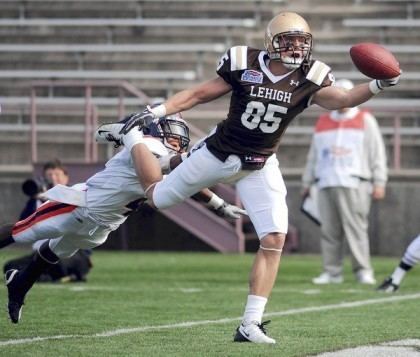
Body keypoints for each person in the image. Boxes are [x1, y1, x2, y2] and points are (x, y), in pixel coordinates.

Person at [96, 12, 400, 344]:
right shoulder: (244, 61)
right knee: (157, 198)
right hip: (217, 155)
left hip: (261, 163)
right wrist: (156, 112)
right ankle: (135, 139)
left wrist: (378, 84)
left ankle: (249, 323)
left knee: (273, 237)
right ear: (272, 41)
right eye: (289, 39)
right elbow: (199, 94)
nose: (297, 47)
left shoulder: (310, 76)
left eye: (302, 41)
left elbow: (342, 99)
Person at [0, 112, 245, 324]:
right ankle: (20, 285)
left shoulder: (151, 147)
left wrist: (219, 204)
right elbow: (165, 164)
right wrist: (203, 154)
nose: (177, 138)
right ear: (154, 131)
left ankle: (19, 284)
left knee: (57, 250)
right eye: (171, 131)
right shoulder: (146, 144)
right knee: (23, 231)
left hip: (104, 224)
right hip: (79, 204)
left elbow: (186, 178)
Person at [302, 78, 388, 285]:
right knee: (329, 230)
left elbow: (377, 152)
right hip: (325, 181)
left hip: (355, 181)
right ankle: (332, 272)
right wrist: (307, 181)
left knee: (356, 229)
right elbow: (314, 155)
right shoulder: (323, 121)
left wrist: (379, 181)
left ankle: (363, 270)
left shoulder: (365, 119)